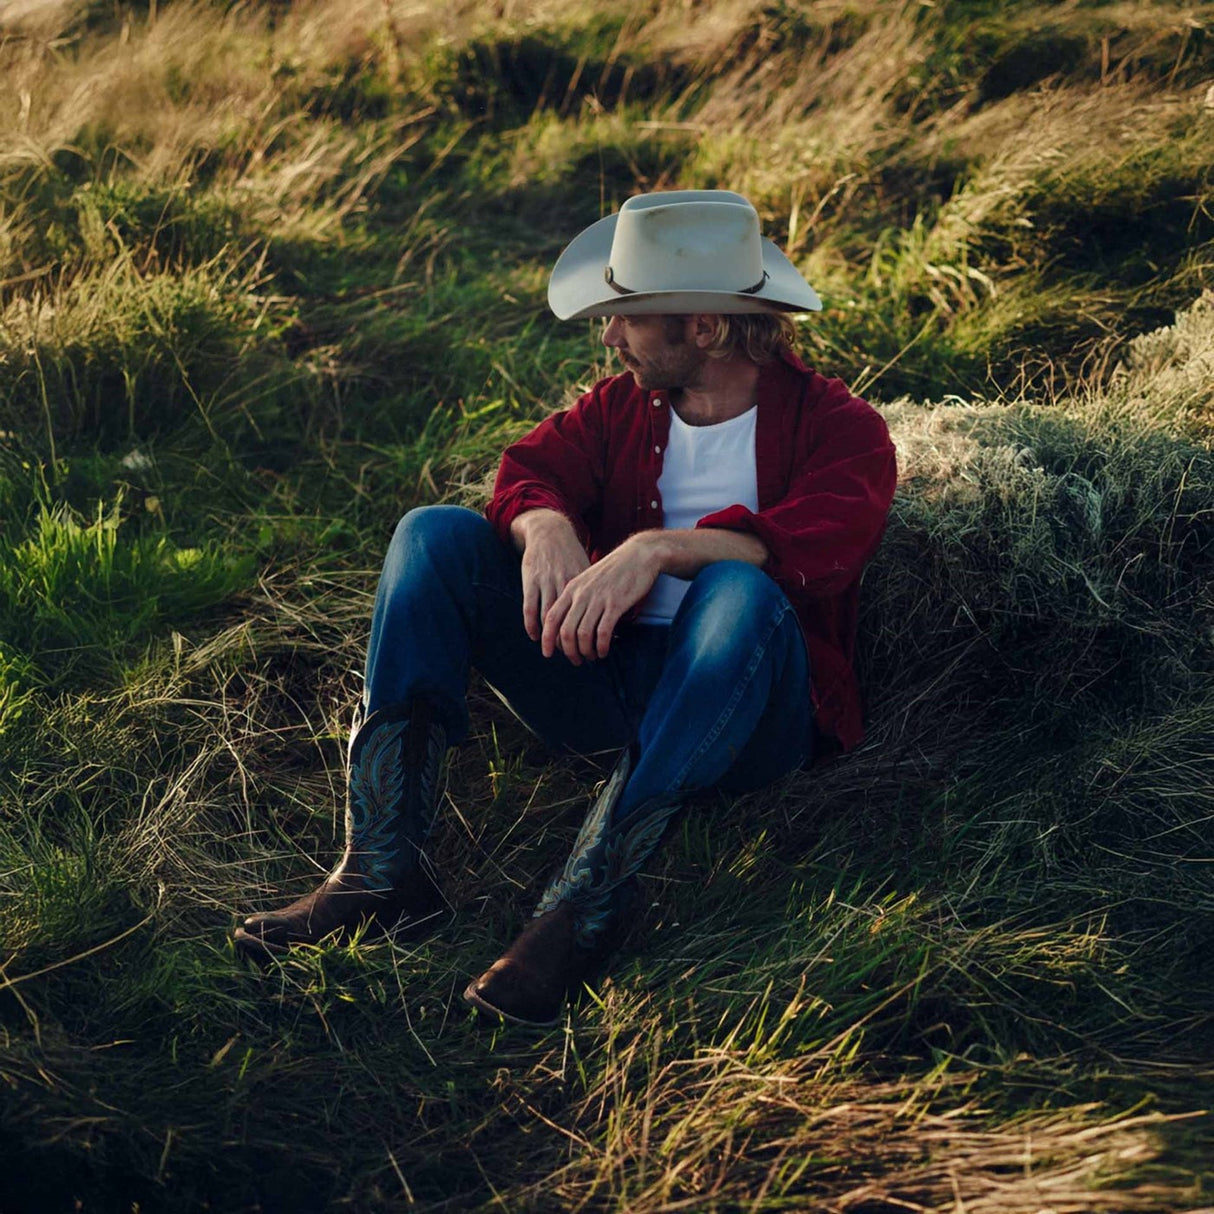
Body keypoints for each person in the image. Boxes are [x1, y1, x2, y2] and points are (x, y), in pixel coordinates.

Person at [234, 190, 898, 1027]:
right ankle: (382, 872)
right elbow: (524, 469)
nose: (609, 336)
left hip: (741, 715)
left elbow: (823, 544)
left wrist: (658, 548)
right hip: (601, 680)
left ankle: (581, 913)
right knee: (431, 535)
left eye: (627, 316)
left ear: (703, 326)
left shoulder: (843, 428)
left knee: (738, 589)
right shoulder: (622, 407)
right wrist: (543, 524)